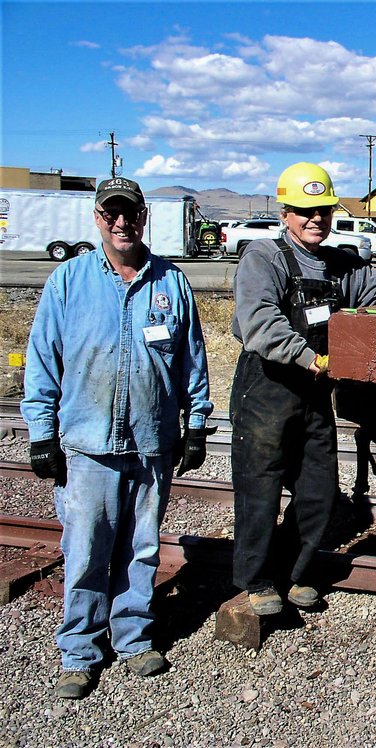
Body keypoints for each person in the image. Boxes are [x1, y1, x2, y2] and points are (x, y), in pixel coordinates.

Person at [21, 177, 213, 699]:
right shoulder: (69, 281)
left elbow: (192, 361)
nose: (122, 222)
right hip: (86, 446)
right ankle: (79, 651)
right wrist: (41, 433)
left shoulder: (170, 283)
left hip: (152, 443)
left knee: (142, 548)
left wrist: (195, 425)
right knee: (84, 551)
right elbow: (43, 362)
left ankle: (132, 637)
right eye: (112, 214)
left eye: (131, 212)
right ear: (98, 218)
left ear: (144, 216)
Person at [230, 162, 376, 617]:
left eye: (322, 210)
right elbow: (259, 323)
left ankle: (296, 573)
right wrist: (309, 358)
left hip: (316, 394)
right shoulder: (265, 257)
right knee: (259, 491)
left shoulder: (339, 264)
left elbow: (375, 285)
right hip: (267, 390)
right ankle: (257, 580)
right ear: (285, 213)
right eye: (304, 210)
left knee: (318, 490)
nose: (315, 219)